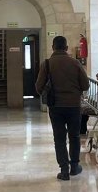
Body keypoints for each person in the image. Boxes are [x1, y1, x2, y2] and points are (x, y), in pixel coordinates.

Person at [35, 35, 90, 180]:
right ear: (66, 48)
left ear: (53, 47)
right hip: (73, 106)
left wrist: (48, 95)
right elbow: (85, 85)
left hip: (56, 106)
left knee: (59, 138)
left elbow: (38, 86)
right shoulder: (75, 63)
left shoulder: (46, 64)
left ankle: (64, 170)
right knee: (75, 136)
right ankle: (74, 166)